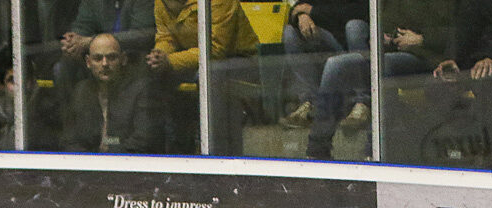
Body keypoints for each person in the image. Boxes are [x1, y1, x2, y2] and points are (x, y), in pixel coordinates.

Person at [304, 0, 454, 160]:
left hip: (427, 57)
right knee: (335, 64)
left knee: (384, 65)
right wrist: (388, 35)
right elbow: (386, 18)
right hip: (392, 51)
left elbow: (458, 33)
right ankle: (317, 149)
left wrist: (421, 39)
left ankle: (373, 152)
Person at [146, 0, 259, 154]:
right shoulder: (161, 2)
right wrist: (160, 55)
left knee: (208, 74)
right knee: (154, 74)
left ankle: (217, 153)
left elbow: (216, 49)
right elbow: (166, 37)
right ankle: (173, 152)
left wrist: (170, 61)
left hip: (239, 61)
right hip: (193, 60)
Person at [61, 33, 162, 152]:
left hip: (128, 164)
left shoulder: (141, 90)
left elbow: (143, 139)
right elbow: (70, 139)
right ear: (88, 62)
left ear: (123, 59)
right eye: (98, 58)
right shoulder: (81, 91)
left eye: (111, 57)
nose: (105, 64)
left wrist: (109, 158)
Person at [278, 1, 368, 129]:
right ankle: (310, 103)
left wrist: (313, 12)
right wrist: (302, 16)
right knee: (290, 32)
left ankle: (363, 103)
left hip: (350, 45)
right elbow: (297, 8)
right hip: (327, 39)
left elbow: (358, 12)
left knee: (354, 26)